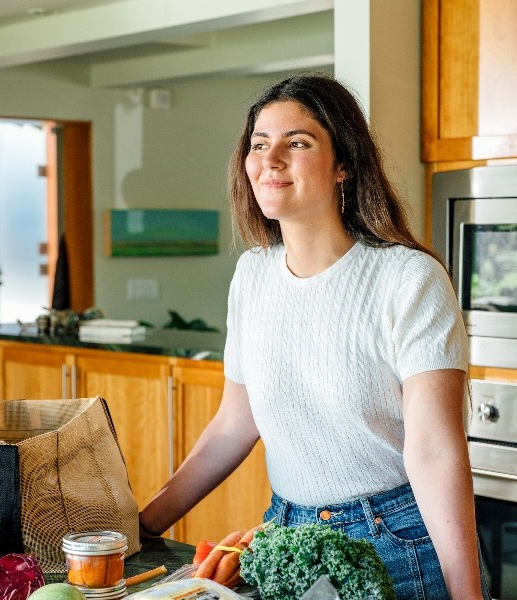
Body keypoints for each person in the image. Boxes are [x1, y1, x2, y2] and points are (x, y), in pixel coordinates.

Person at [139, 74, 488, 600]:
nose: (270, 159)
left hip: (394, 542)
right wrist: (142, 526)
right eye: (260, 144)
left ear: (343, 164)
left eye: (297, 143)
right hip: (285, 538)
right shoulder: (252, 276)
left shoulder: (407, 279)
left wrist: (468, 595)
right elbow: (236, 423)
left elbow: (435, 452)